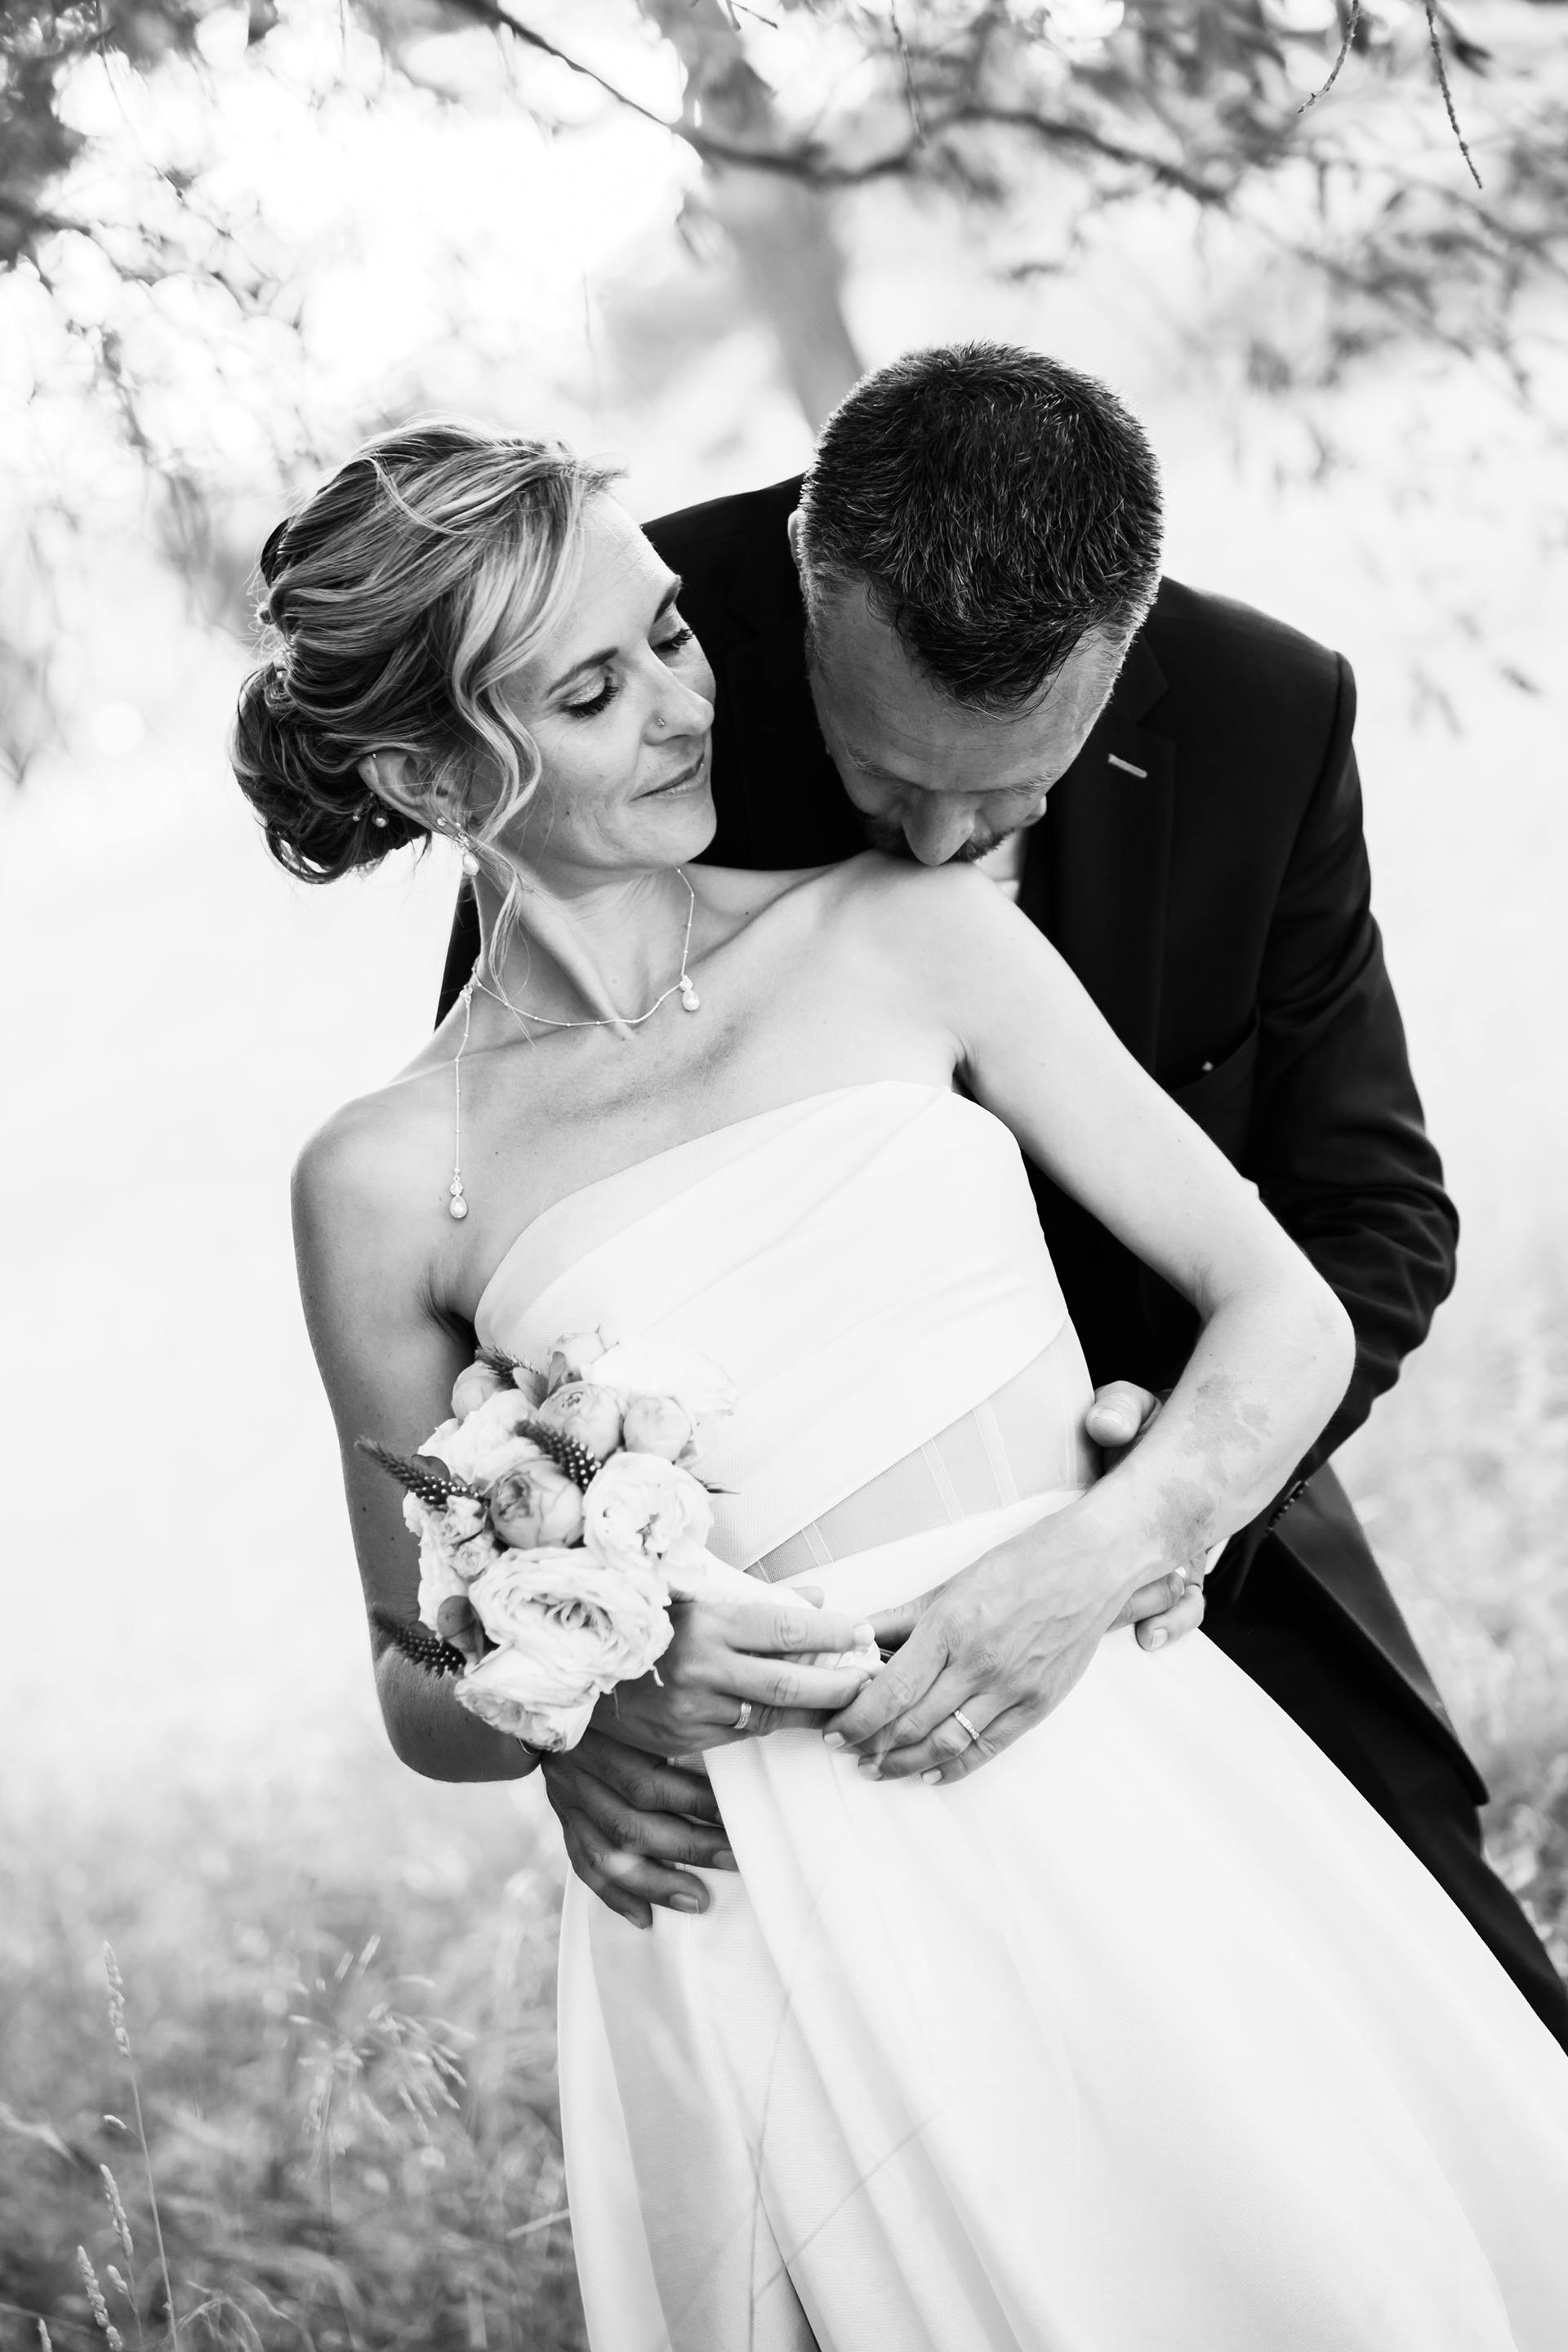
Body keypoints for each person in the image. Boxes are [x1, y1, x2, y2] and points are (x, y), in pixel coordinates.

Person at [234, 421, 1568, 2350]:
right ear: (436, 772)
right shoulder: (374, 1184)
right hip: (761, 1902)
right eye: (597, 690)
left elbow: (1298, 1295)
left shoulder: (912, 936)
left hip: (1110, 1749)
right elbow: (413, 1683)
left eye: (678, 640)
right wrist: (570, 1698)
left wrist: (1116, 1540)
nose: (691, 703)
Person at [436, 344, 1568, 2047]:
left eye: (1019, 784)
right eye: (899, 777)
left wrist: (1161, 1508)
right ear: (811, 595)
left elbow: (1372, 1214)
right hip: (812, 1730)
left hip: (1209, 1562)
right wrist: (577, 1684)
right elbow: (527, 1240)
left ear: (1130, 637)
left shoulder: (1266, 714)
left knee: (1470, 2074)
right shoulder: (622, 677)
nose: (956, 843)